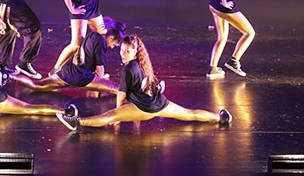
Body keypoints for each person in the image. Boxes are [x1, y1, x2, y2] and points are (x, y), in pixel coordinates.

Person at [56, 35, 233, 131]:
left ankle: (78, 122)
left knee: (109, 115)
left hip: (145, 108)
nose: (123, 54)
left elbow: (121, 95)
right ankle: (220, 117)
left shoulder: (128, 69)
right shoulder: (143, 63)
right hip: (160, 103)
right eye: (122, 50)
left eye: (127, 52)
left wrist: (117, 115)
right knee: (189, 114)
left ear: (135, 53)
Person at [9, 17, 125, 95]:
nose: (112, 47)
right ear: (111, 37)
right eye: (114, 44)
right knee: (115, 88)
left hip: (67, 72)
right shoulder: (101, 43)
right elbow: (100, 71)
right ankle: (134, 96)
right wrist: (103, 79)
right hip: (80, 78)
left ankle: (9, 76)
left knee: (38, 86)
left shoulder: (93, 35)